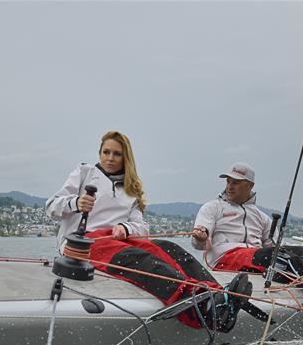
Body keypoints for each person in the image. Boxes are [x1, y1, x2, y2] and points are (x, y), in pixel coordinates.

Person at [45, 131, 251, 331]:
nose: (110, 158)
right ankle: (195, 299)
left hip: (120, 240)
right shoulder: (84, 172)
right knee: (140, 258)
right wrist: (76, 202)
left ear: (125, 158)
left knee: (170, 249)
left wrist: (125, 228)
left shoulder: (130, 188)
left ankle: (219, 295)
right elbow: (51, 207)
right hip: (85, 243)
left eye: (116, 154)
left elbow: (141, 227)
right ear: (99, 153)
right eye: (106, 152)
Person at [191, 162, 303, 314]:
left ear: (250, 186)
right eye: (229, 181)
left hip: (254, 256)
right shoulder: (212, 208)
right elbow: (199, 243)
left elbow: (278, 246)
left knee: (298, 252)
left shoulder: (260, 216)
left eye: (236, 182)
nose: (230, 186)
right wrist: (200, 237)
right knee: (279, 257)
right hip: (226, 258)